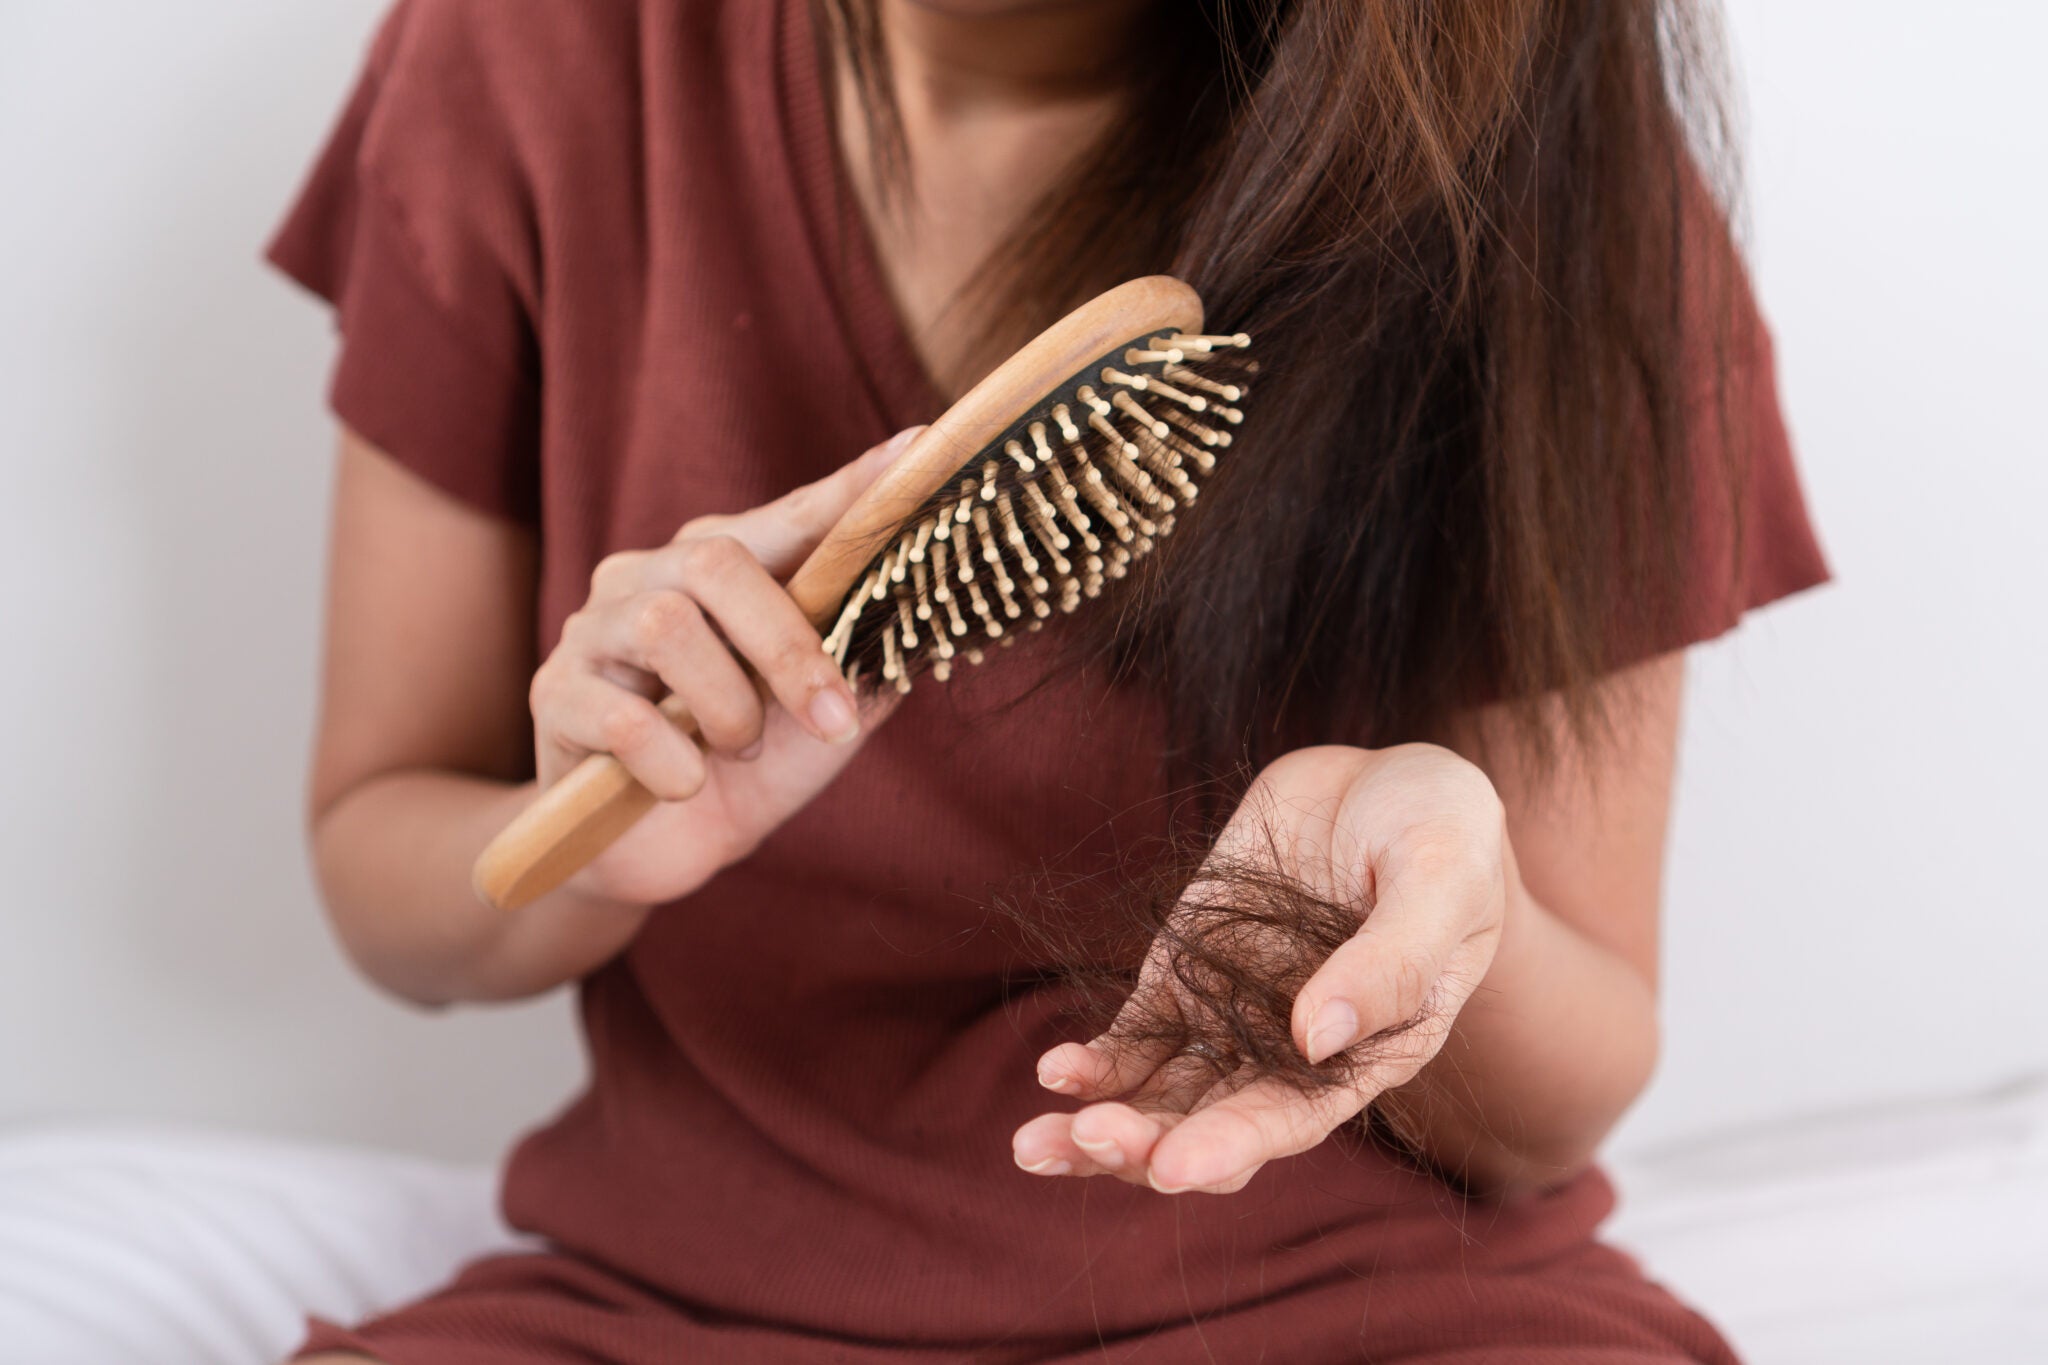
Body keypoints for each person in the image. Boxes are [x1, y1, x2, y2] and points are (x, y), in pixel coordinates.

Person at [268, 0, 1828, 1359]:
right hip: (675, 1302)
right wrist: (605, 828)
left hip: (1365, 1305)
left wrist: (1427, 887)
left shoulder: (1529, 168)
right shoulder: (528, 57)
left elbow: (1564, 1099)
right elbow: (380, 866)